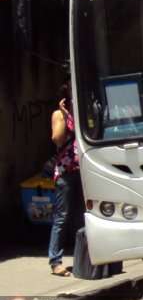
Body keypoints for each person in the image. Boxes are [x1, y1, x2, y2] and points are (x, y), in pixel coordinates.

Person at [48, 78, 83, 277]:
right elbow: (57, 139)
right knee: (62, 217)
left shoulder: (83, 111)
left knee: (80, 217)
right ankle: (55, 261)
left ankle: (82, 259)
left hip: (81, 171)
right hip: (65, 172)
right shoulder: (59, 115)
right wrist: (64, 115)